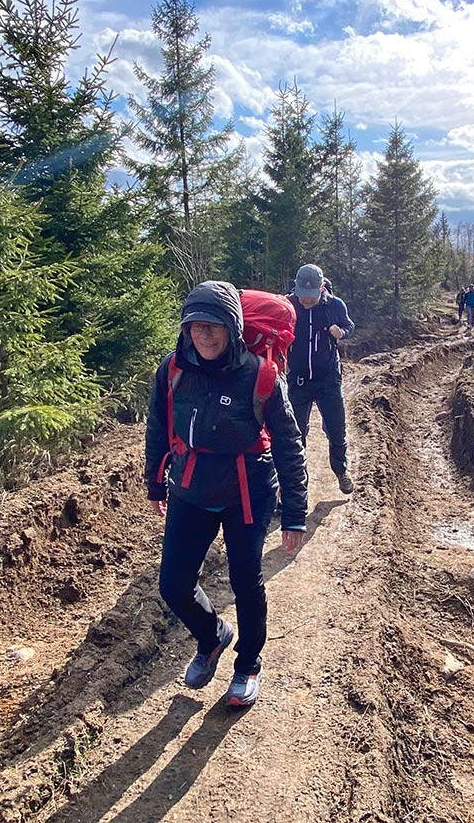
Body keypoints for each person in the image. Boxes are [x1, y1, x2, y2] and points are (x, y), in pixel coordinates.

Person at [145, 281, 309, 708]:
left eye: (213, 325)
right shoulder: (174, 369)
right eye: (194, 325)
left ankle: (248, 665)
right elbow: (158, 427)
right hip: (190, 489)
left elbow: (290, 443)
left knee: (245, 582)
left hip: (247, 492)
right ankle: (212, 635)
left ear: (232, 327)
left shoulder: (260, 374)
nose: (203, 334)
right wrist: (154, 480)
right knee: (173, 584)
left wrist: (294, 512)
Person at [286, 263, 356, 494]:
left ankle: (341, 470)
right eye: (302, 295)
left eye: (311, 295)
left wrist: (342, 332)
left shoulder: (335, 305)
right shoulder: (288, 304)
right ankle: (296, 484)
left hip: (328, 379)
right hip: (298, 380)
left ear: (322, 287)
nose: (306, 300)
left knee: (336, 429)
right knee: (295, 434)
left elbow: (349, 325)